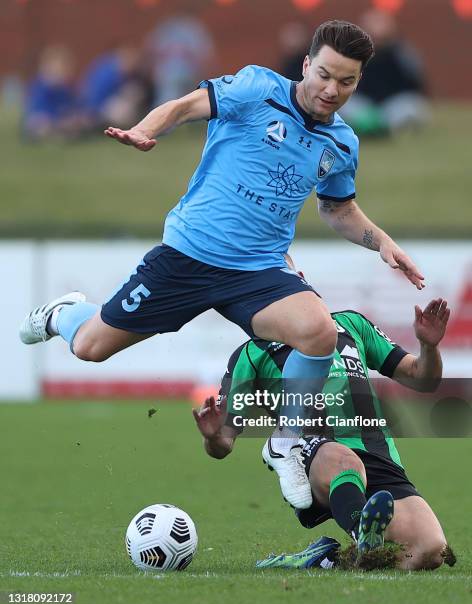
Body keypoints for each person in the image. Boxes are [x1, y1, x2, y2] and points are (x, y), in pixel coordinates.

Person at [20, 20, 425, 511]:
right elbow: (186, 105)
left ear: (359, 81)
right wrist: (145, 131)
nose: (331, 90)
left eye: (347, 81)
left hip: (258, 271)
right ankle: (64, 313)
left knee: (319, 332)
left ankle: (288, 440)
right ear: (306, 65)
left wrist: (381, 242)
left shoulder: (341, 144)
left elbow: (337, 209)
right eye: (324, 75)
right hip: (188, 256)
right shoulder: (258, 87)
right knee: (90, 347)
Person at [193, 289, 451, 570]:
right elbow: (224, 444)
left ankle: (326, 559)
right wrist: (213, 436)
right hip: (315, 457)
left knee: (430, 551)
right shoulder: (252, 353)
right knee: (343, 461)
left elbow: (422, 379)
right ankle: (361, 533)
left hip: (377, 455)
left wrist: (428, 347)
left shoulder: (352, 325)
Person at [339, 9, 430, 136]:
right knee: (343, 103)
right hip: (364, 105)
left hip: (392, 105)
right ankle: (366, 126)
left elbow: (416, 86)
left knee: (413, 106)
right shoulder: (350, 53)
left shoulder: (403, 53)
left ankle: (383, 128)